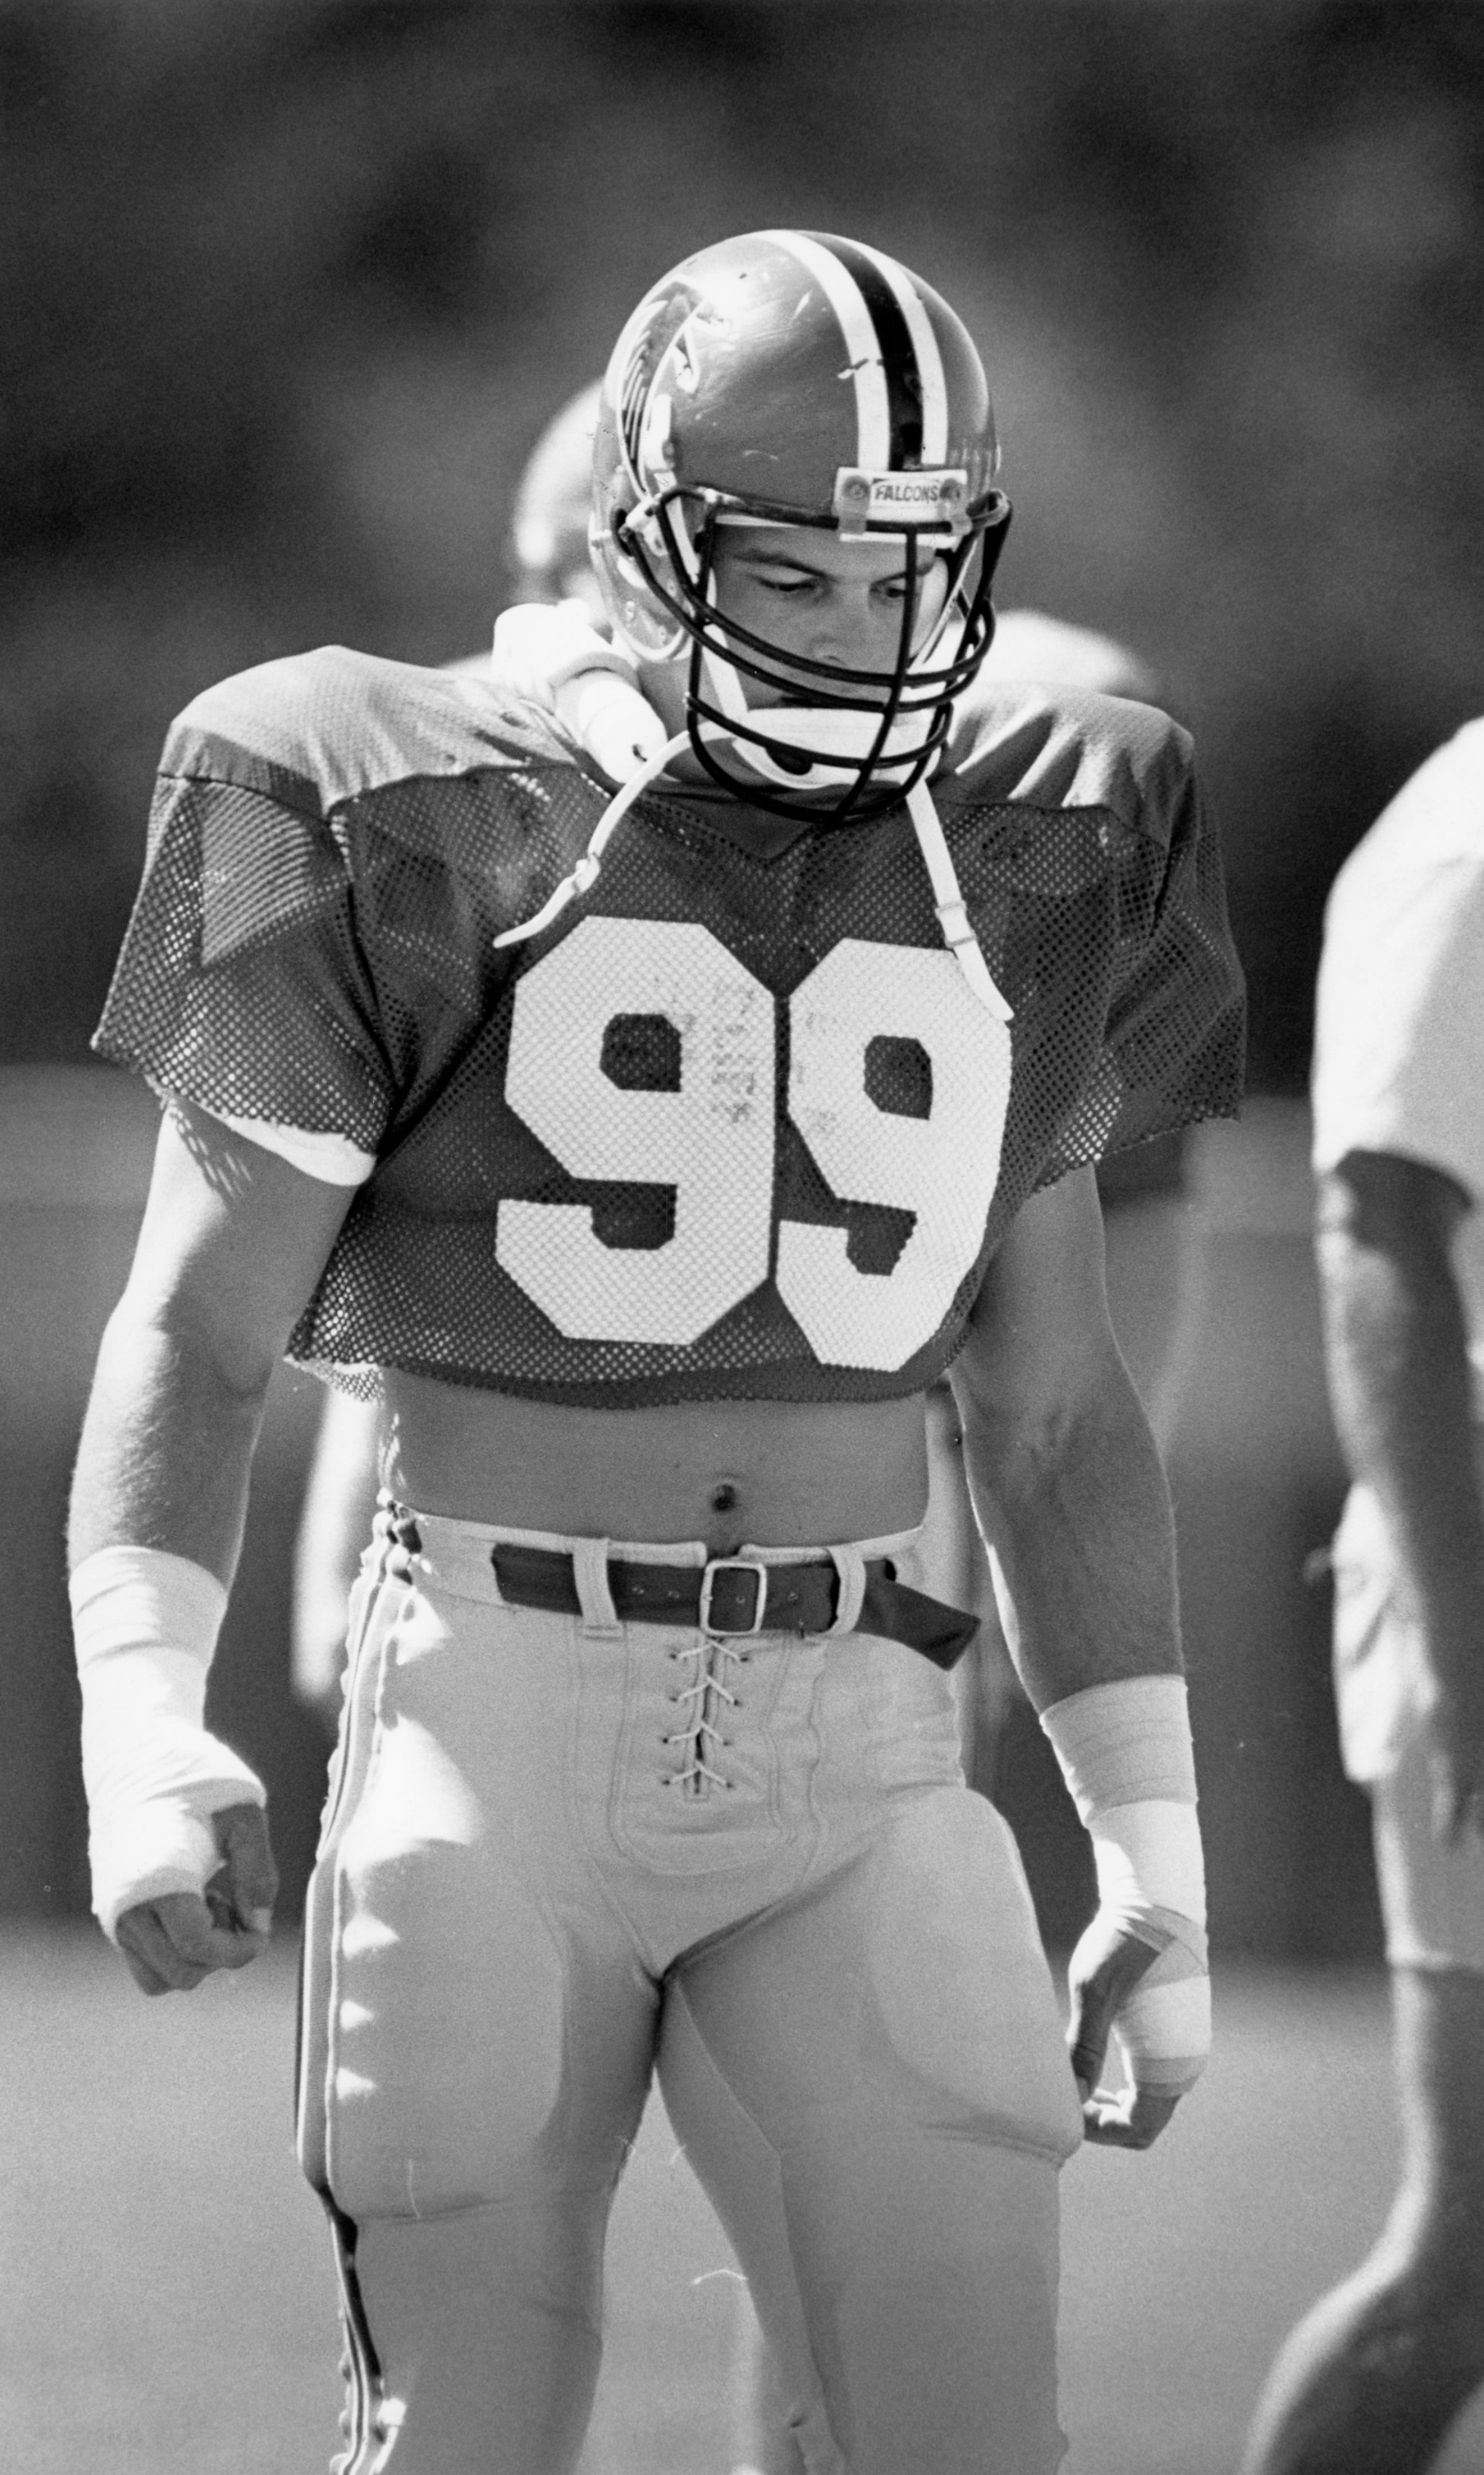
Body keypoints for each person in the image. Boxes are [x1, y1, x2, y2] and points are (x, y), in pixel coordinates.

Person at [69, 229, 1243, 2475]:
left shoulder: (1037, 828)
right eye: (793, 573)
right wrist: (145, 1712)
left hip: (864, 1726)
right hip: (495, 1708)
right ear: (639, 535)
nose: (864, 636)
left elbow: (1056, 1403)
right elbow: (199, 1328)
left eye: (908, 578)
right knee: (468, 2424)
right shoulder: (396, 795)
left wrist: (1152, 1841)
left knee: (968, 2429)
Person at [1241, 723, 1484, 2475]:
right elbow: (1378, 1219)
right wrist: (1468, 1640)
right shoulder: (1471, 833)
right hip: (1479, 1566)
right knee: (1469, 2265)